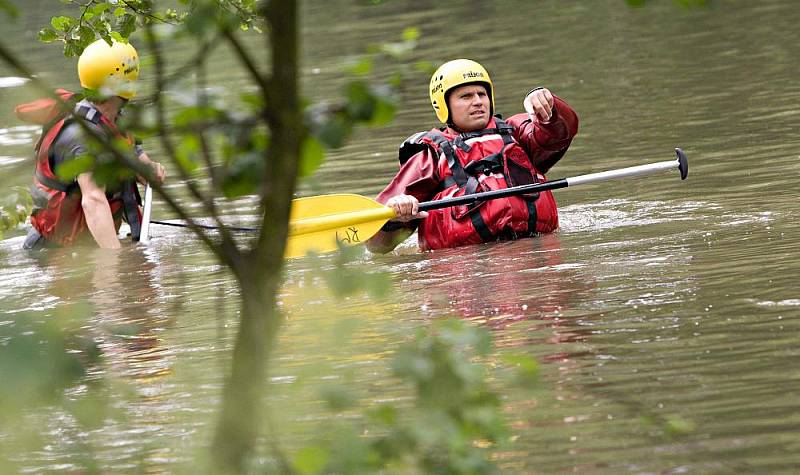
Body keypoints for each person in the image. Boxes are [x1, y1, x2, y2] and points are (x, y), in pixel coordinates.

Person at [365, 59, 578, 253]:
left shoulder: (519, 133)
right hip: (468, 272)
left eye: (482, 94)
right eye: (466, 96)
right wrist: (396, 217)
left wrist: (548, 107)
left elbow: (560, 133)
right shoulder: (429, 157)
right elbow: (376, 244)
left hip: (538, 253)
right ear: (443, 105)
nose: (477, 102)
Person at [17, 39, 165, 250]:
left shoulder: (116, 119)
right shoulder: (84, 138)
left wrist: (149, 169)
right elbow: (93, 200)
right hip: (54, 254)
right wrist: (113, 262)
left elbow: (135, 156)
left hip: (86, 245)